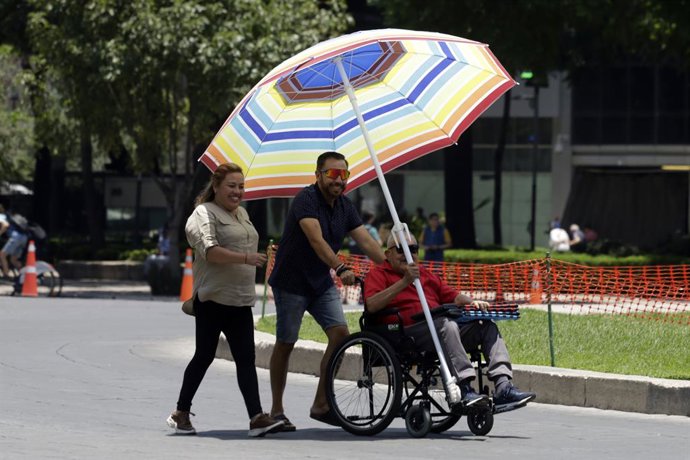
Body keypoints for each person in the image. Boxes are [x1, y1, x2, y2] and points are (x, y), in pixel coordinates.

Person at [268, 151, 386, 431]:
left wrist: (392, 268)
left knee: (340, 337)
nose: (338, 180)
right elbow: (316, 241)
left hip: (319, 283)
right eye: (332, 174)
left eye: (343, 174)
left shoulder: (345, 206)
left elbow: (367, 243)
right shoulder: (305, 200)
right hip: (292, 282)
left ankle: (321, 403)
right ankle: (276, 411)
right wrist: (340, 267)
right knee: (286, 343)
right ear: (318, 175)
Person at [167, 163, 284, 437]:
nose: (237, 191)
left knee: (246, 359)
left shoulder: (242, 213)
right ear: (216, 186)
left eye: (241, 186)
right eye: (231, 186)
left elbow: (247, 244)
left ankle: (256, 418)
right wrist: (247, 258)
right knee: (204, 356)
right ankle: (181, 413)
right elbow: (210, 251)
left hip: (241, 300)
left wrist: (261, 255)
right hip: (214, 299)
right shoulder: (202, 214)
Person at [364, 233, 536, 412]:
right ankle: (464, 387)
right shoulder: (378, 274)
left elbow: (453, 295)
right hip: (405, 333)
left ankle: (503, 386)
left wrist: (471, 302)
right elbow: (372, 305)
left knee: (486, 326)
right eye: (401, 250)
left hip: (441, 328)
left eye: (414, 249)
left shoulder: (424, 274)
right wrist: (405, 281)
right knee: (446, 324)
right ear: (388, 254)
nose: (409, 254)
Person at [0, 206, 29, 279]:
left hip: (15, 237)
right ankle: (25, 276)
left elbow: (5, 225)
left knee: (2, 255)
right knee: (13, 259)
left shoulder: (1, 216)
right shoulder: (9, 215)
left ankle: (6, 274)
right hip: (24, 237)